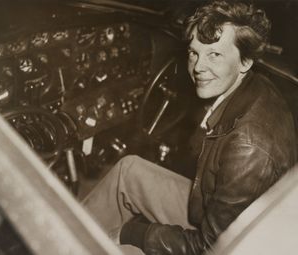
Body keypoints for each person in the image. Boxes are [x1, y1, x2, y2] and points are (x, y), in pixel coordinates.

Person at [82, 1, 297, 254]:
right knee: (128, 171)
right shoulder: (252, 85)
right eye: (194, 53)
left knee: (126, 248)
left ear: (245, 61)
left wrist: (133, 233)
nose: (198, 67)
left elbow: (211, 248)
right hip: (215, 212)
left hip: (234, 246)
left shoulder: (249, 148)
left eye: (214, 55)